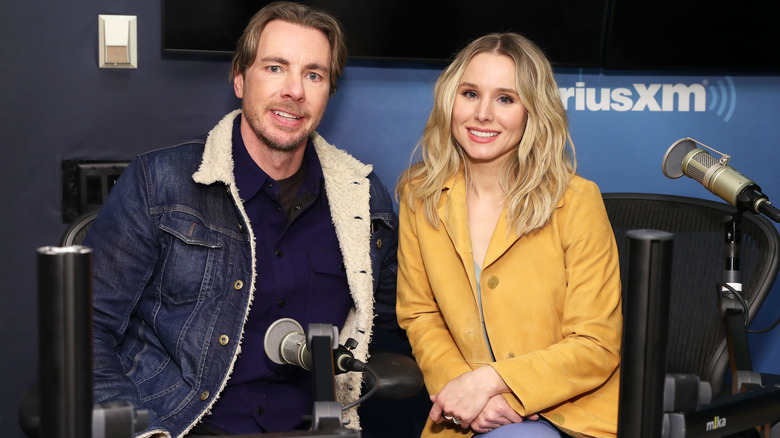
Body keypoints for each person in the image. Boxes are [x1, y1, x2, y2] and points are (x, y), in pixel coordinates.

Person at [85, 2, 399, 437]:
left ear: (329, 92)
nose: (295, 90)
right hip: (180, 426)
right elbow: (87, 331)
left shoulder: (364, 200)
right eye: (275, 68)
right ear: (239, 79)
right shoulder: (159, 183)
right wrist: (142, 431)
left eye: (314, 74)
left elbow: (389, 327)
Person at [395, 32, 622, 438]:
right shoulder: (419, 194)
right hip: (462, 416)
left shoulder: (576, 201)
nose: (483, 113)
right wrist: (464, 394)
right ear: (450, 100)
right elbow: (420, 315)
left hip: (567, 416)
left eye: (505, 99)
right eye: (469, 93)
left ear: (532, 112)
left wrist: (490, 383)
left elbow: (596, 345)